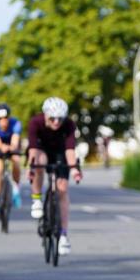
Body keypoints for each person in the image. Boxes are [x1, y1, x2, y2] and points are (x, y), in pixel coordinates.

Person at [27, 97, 82, 256]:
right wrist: (31, 167)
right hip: (41, 151)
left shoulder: (69, 125)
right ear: (45, 115)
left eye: (60, 118)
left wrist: (73, 170)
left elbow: (70, 150)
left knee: (63, 189)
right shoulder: (35, 122)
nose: (56, 122)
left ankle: (64, 235)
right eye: (52, 118)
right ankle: (37, 199)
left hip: (60, 153)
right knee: (39, 162)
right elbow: (32, 148)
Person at [0, 104, 23, 219]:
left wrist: (12, 147)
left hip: (11, 145)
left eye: (6, 118)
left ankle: (16, 190)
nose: (3, 122)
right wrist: (2, 147)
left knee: (16, 161)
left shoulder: (16, 123)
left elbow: (15, 140)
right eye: (0, 119)